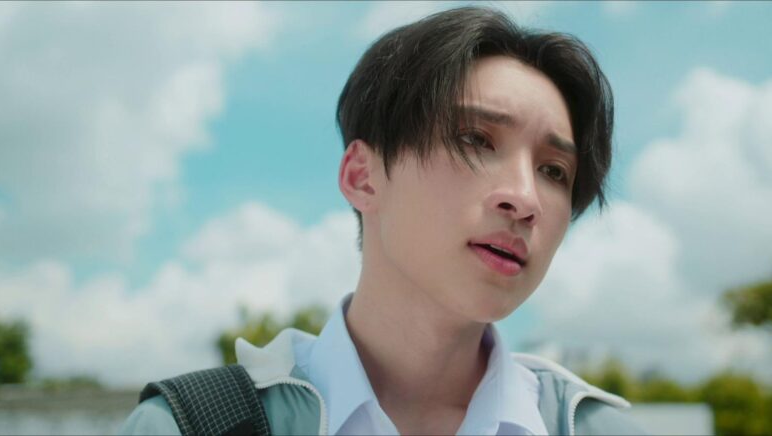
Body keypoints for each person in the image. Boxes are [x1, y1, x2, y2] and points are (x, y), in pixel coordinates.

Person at [120, 6, 644, 435]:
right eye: (476, 139)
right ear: (362, 177)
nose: (526, 199)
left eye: (554, 171)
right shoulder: (192, 425)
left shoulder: (595, 428)